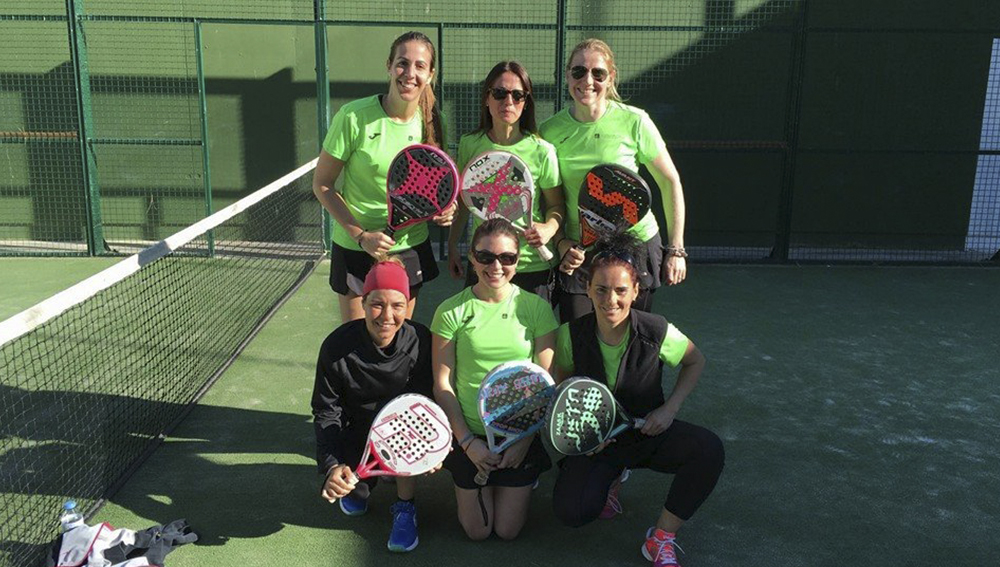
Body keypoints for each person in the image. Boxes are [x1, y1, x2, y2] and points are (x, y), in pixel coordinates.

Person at [550, 231, 724, 567]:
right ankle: (611, 483)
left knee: (709, 450)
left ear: (635, 292)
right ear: (587, 289)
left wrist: (670, 409)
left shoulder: (656, 330)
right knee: (571, 512)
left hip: (647, 432)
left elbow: (695, 361)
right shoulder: (570, 334)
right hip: (599, 443)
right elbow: (563, 387)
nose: (610, 300)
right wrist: (584, 438)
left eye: (620, 291)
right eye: (601, 289)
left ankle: (661, 538)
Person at [539, 38, 688, 322]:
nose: (588, 81)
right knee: (580, 341)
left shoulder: (635, 121)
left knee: (631, 338)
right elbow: (550, 201)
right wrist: (561, 244)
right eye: (579, 71)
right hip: (580, 251)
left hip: (636, 244)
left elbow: (670, 182)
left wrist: (676, 249)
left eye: (598, 73)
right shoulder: (549, 131)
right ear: (567, 75)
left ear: (611, 78)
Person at [312, 31, 456, 324]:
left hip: (409, 247)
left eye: (419, 66)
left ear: (430, 74)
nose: (410, 73)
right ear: (389, 66)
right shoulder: (353, 117)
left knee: (396, 341)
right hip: (356, 248)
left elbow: (429, 187)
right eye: (402, 63)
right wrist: (361, 236)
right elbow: (322, 184)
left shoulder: (433, 122)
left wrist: (443, 211)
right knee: (357, 343)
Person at [431, 218, 558, 540]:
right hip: (470, 434)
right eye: (486, 257)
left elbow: (546, 385)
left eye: (507, 258)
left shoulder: (537, 309)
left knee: (507, 531)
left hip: (521, 433)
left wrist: (524, 439)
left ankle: (523, 474)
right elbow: (442, 384)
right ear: (472, 257)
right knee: (478, 531)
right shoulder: (450, 311)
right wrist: (468, 443)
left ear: (518, 260)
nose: (496, 266)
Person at [312, 259, 438, 552]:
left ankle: (405, 506)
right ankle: (363, 484)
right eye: (377, 304)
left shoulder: (420, 340)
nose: (387, 316)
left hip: (405, 427)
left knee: (407, 436)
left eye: (397, 305)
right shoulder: (335, 346)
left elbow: (426, 400)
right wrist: (332, 466)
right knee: (355, 498)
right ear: (364, 303)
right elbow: (326, 410)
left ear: (407, 306)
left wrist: (433, 448)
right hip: (357, 428)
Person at [448, 61, 565, 305]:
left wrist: (549, 229)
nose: (508, 102)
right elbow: (463, 201)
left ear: (526, 102)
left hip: (531, 267)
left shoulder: (543, 151)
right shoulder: (470, 144)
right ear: (486, 99)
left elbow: (556, 206)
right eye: (499, 93)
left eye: (517, 95)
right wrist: (452, 247)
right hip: (484, 263)